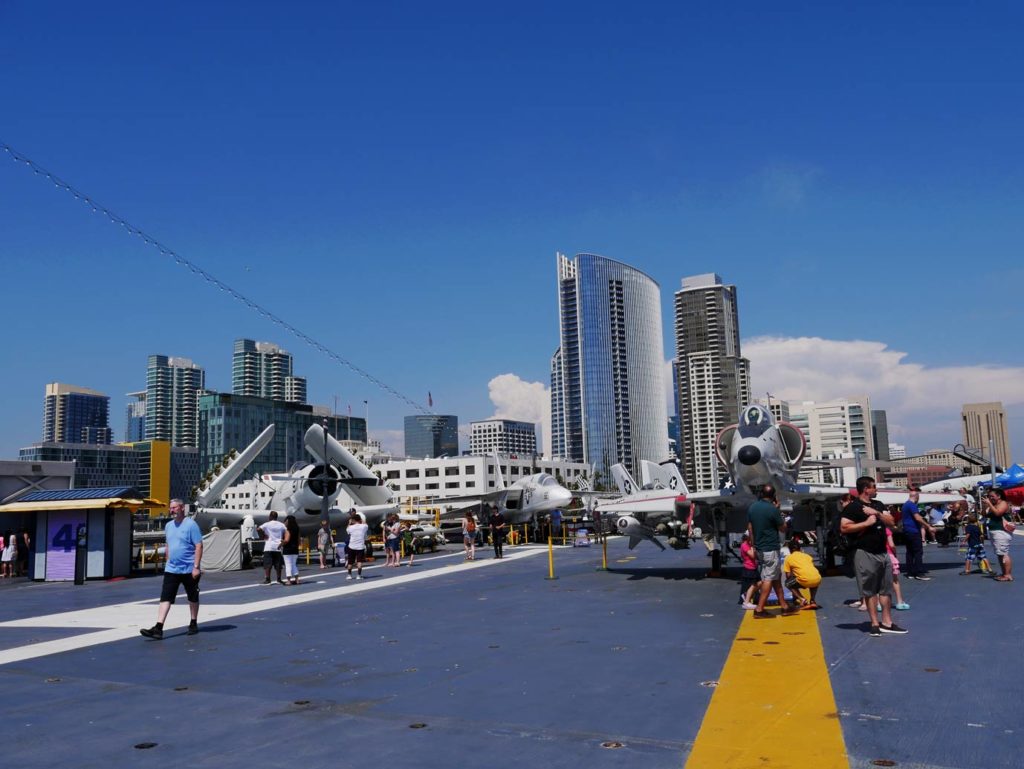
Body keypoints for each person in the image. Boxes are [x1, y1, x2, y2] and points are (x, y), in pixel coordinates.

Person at [841, 476, 907, 637]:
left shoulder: (878, 505)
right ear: (866, 489)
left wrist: (876, 513)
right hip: (865, 552)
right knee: (869, 590)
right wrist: (866, 523)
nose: (876, 490)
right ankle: (874, 623)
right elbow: (844, 527)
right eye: (874, 487)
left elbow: (891, 521)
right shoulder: (853, 508)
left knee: (886, 589)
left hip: (883, 553)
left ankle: (887, 622)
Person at [140, 499, 202, 639]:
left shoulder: (191, 525)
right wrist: (167, 561)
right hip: (172, 569)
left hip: (189, 568)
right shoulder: (168, 525)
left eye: (174, 508)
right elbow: (168, 544)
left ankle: (193, 623)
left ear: (181, 508)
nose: (172, 510)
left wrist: (196, 567)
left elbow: (199, 546)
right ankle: (158, 628)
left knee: (192, 597)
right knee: (165, 597)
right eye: (170, 508)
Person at [747, 485, 799, 619]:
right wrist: (779, 511)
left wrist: (753, 545)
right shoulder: (772, 509)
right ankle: (759, 609)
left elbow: (750, 528)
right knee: (769, 579)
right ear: (774, 496)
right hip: (770, 548)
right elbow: (783, 528)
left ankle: (784, 606)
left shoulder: (752, 507)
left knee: (775, 577)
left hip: (759, 548)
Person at [901, 486, 935, 580]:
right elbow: (917, 517)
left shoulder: (905, 505)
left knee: (910, 552)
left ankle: (910, 572)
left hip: (907, 530)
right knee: (918, 552)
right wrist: (928, 526)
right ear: (916, 497)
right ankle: (919, 572)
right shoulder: (912, 505)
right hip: (913, 531)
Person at [983, 488, 1014, 582]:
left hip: (1001, 531)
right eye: (989, 496)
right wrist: (986, 506)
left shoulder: (1003, 503)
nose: (990, 498)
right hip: (994, 531)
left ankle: (1008, 574)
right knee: (1000, 554)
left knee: (1003, 553)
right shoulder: (993, 505)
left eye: (992, 496)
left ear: (999, 496)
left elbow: (998, 513)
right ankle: (1004, 573)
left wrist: (989, 504)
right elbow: (984, 514)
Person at [782, 537, 822, 609]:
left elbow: (788, 576)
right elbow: (809, 570)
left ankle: (802, 599)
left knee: (788, 583)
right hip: (817, 578)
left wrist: (794, 574)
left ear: (789, 550)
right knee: (813, 579)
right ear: (800, 549)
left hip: (805, 580)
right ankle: (812, 600)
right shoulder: (807, 556)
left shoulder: (788, 558)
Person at [884, 527, 910, 610]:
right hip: (888, 555)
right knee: (894, 580)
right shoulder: (886, 530)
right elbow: (891, 545)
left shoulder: (869, 530)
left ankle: (879, 603)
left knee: (878, 581)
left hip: (876, 556)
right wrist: (894, 552)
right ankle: (900, 602)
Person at [258, 511, 287, 585]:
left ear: (270, 517)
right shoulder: (281, 525)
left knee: (268, 564)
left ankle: (268, 580)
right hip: (278, 547)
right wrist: (283, 540)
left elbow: (258, 529)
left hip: (269, 546)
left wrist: (263, 536)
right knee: (278, 564)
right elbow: (286, 531)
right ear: (276, 517)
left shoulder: (267, 524)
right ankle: (279, 579)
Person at [345, 512, 369, 580]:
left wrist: (349, 523)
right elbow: (366, 524)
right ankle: (358, 575)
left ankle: (349, 575)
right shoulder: (363, 526)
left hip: (352, 546)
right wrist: (362, 520)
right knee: (359, 561)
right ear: (360, 520)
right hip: (360, 546)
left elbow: (347, 530)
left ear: (353, 520)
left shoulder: (351, 527)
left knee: (350, 562)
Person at [739, 532, 758, 610]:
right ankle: (746, 602)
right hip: (749, 568)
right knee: (755, 584)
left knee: (759, 583)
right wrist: (754, 547)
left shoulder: (748, 545)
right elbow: (753, 555)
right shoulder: (745, 545)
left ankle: (746, 595)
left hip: (753, 567)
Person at [282, 514, 301, 585]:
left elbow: (287, 540)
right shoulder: (297, 529)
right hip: (295, 549)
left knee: (288, 565)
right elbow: (299, 540)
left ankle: (288, 581)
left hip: (287, 549)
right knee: (294, 564)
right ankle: (297, 580)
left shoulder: (287, 530)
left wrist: (281, 543)